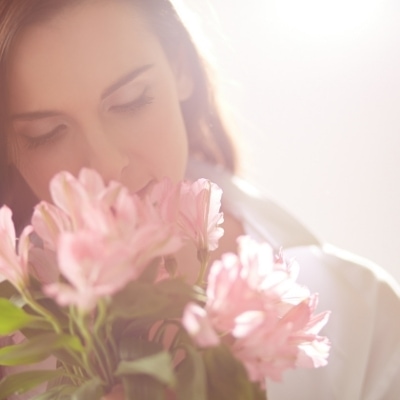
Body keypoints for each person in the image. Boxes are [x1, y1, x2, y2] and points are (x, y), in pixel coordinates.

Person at [0, 1, 399, 399]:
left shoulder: (362, 312)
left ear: (180, 70)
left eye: (131, 101)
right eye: (46, 132)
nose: (108, 166)